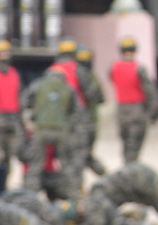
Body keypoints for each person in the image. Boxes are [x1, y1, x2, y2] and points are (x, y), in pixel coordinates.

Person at [48, 37, 101, 191]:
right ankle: (77, 188)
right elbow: (91, 94)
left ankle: (65, 187)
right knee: (78, 155)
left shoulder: (51, 70)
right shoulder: (78, 69)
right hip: (77, 121)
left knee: (64, 156)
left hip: (58, 121)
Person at [20, 67, 80, 197]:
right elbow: (76, 111)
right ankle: (74, 195)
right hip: (61, 131)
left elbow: (24, 102)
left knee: (35, 164)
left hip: (41, 130)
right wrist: (69, 125)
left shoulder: (37, 85)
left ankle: (30, 195)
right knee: (66, 165)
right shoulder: (69, 88)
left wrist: (33, 116)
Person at [109, 36, 158, 164]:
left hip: (121, 111)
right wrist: (153, 113)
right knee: (135, 146)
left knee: (126, 144)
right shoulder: (139, 68)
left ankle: (127, 167)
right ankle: (131, 172)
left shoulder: (114, 68)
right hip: (137, 110)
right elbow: (151, 92)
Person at [75, 46, 106, 176]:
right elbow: (100, 99)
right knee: (84, 153)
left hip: (82, 122)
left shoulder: (75, 77)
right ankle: (101, 172)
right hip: (91, 121)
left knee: (81, 154)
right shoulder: (93, 78)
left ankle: (101, 173)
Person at [0, 40, 25, 190]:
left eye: (7, 52)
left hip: (13, 119)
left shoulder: (14, 73)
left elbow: (20, 98)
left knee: (9, 157)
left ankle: (4, 187)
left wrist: (21, 123)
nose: (6, 56)